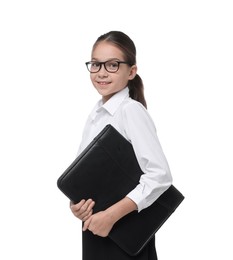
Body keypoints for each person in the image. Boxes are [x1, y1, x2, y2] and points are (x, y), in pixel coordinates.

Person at [70, 31, 173, 260]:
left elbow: (160, 175)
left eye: (113, 65)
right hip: (95, 230)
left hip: (123, 233)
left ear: (131, 71)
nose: (101, 73)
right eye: (95, 64)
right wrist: (77, 205)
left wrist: (110, 216)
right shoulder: (97, 114)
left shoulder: (130, 110)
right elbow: (84, 175)